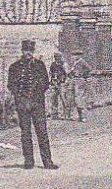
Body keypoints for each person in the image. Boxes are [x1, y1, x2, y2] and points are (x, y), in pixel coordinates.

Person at [7, 39, 57, 169]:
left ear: (33, 51)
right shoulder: (15, 67)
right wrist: (20, 99)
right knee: (26, 134)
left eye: (30, 50)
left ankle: (47, 161)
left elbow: (45, 83)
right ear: (22, 51)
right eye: (25, 50)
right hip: (22, 104)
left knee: (42, 132)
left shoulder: (40, 66)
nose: (28, 53)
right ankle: (28, 161)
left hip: (37, 104)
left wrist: (35, 97)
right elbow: (11, 85)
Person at [48, 53, 70, 119]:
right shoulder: (53, 64)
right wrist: (52, 82)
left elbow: (67, 74)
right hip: (54, 84)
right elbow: (51, 73)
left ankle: (65, 115)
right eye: (56, 57)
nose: (57, 58)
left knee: (63, 99)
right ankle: (54, 114)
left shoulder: (64, 64)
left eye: (58, 57)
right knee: (53, 99)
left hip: (62, 83)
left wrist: (64, 82)